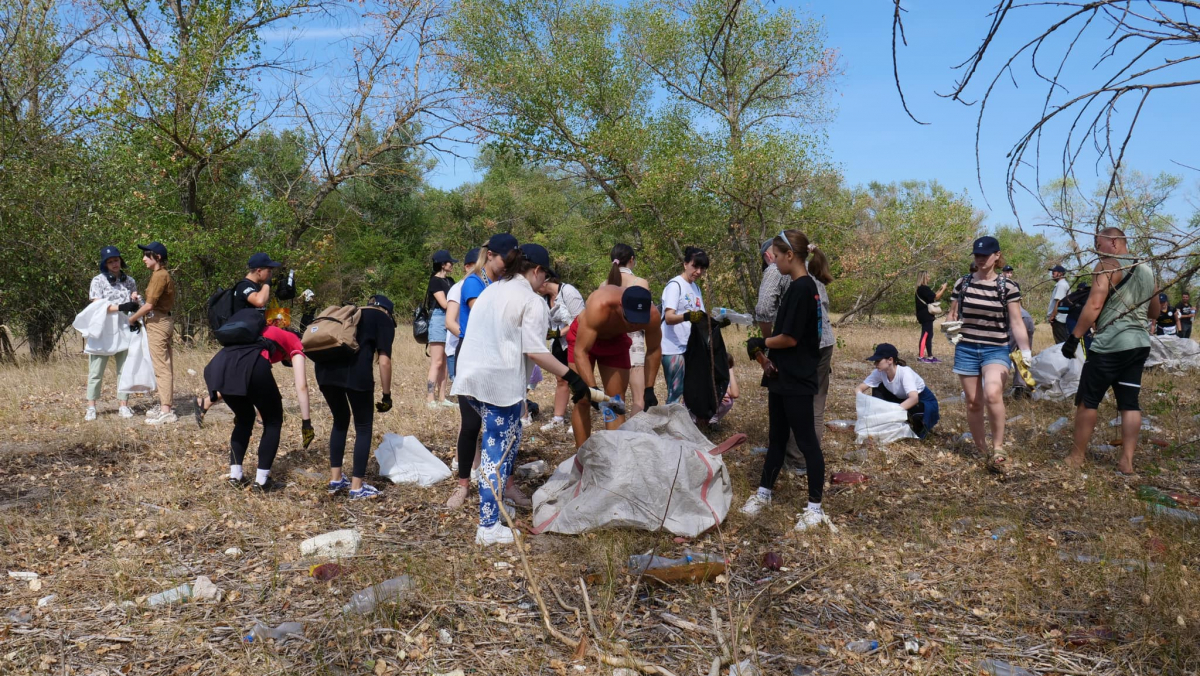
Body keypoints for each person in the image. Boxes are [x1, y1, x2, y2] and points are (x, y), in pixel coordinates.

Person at [451, 244, 591, 546]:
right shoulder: (531, 300)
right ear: (537, 271)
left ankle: (499, 502)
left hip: (470, 378)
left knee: (512, 437)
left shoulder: (492, 289)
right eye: (545, 277)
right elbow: (535, 350)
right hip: (497, 385)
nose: (545, 284)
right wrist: (572, 376)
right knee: (495, 456)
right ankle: (488, 526)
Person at [742, 230, 828, 531]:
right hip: (782, 374)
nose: (774, 262)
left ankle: (815, 508)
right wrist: (767, 359)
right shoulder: (796, 286)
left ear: (790, 256)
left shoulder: (804, 289)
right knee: (776, 437)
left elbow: (790, 338)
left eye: (777, 257)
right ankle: (764, 492)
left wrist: (763, 342)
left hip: (798, 377)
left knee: (806, 443)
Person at [1062, 227, 1159, 474]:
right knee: (1129, 404)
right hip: (1139, 343)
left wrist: (1074, 337)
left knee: (1088, 400)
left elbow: (1095, 304)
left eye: (1098, 244)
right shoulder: (1147, 269)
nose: (1096, 250)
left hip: (1111, 343)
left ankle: (1076, 457)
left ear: (1114, 242)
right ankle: (1126, 461)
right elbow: (1154, 312)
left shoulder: (1107, 266)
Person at [445, 234, 523, 510]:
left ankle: (509, 484)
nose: (507, 266)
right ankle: (463, 485)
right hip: (474, 356)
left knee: (509, 423)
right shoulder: (474, 282)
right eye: (505, 260)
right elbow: (482, 314)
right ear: (490, 255)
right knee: (471, 424)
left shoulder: (505, 283)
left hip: (500, 355)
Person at [203, 308, 314, 492]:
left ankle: (235, 476)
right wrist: (306, 422)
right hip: (251, 366)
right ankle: (262, 482)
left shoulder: (259, 333)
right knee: (273, 421)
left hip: (219, 366)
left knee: (244, 419)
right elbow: (302, 385)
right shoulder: (294, 340)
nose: (285, 360)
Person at [948, 236, 1031, 473]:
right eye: (977, 255)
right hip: (966, 348)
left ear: (997, 256)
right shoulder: (962, 283)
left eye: (985, 255)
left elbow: (1016, 322)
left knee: (993, 394)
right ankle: (982, 449)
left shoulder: (1007, 287)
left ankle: (998, 446)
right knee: (974, 402)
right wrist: (950, 330)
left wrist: (1025, 351)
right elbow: (952, 314)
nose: (980, 259)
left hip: (996, 348)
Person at [567, 270, 663, 448]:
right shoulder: (600, 304)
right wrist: (592, 388)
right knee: (583, 399)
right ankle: (582, 458)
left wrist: (649, 389)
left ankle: (614, 457)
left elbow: (654, 349)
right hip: (584, 340)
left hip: (615, 341)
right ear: (620, 305)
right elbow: (580, 351)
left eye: (638, 321)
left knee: (615, 401)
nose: (633, 325)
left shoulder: (653, 316)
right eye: (629, 319)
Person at [315, 295, 395, 500]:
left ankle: (336, 479)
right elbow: (384, 362)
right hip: (356, 375)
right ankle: (357, 486)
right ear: (387, 311)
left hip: (324, 373)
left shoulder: (349, 312)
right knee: (363, 426)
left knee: (340, 421)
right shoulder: (383, 319)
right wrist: (386, 395)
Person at [85, 246, 140, 421]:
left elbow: (135, 300)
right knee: (96, 371)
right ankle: (91, 406)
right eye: (110, 261)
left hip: (124, 328)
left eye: (116, 260)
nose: (114, 264)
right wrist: (120, 307)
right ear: (105, 264)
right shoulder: (98, 281)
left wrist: (135, 309)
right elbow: (96, 305)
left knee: (124, 370)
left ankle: (123, 405)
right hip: (103, 330)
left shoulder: (129, 280)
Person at [127, 242, 177, 424]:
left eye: (147, 256)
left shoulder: (159, 276)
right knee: (164, 365)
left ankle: (166, 410)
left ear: (157, 257)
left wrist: (131, 319)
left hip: (158, 323)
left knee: (162, 368)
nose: (143, 259)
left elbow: (150, 306)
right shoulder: (159, 275)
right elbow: (150, 302)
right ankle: (165, 405)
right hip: (161, 320)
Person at [856, 343, 940, 439]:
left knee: (916, 415)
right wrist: (861, 399)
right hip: (902, 400)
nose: (875, 364)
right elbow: (859, 388)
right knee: (878, 387)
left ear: (890, 360)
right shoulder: (879, 372)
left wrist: (894, 412)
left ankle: (916, 429)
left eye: (878, 361)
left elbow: (914, 398)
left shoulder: (905, 373)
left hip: (923, 403)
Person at [661, 247, 709, 404]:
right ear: (685, 264)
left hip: (689, 347)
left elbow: (700, 315)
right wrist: (687, 316)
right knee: (675, 392)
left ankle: (684, 424)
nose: (698, 271)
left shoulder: (695, 288)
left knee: (689, 389)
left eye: (702, 268)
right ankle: (669, 426)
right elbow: (669, 317)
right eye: (695, 266)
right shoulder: (675, 285)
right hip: (672, 348)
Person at [540, 277, 585, 432]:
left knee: (577, 379)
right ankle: (558, 418)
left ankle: (578, 419)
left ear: (544, 280)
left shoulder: (569, 292)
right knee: (561, 379)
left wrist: (558, 332)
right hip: (558, 343)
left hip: (575, 342)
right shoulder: (544, 299)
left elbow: (580, 320)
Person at [611, 243, 652, 414]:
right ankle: (635, 435)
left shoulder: (605, 283)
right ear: (632, 260)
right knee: (638, 397)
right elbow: (647, 316)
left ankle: (614, 432)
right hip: (634, 338)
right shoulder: (640, 282)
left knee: (614, 395)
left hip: (612, 339)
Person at [807, 247, 836, 446]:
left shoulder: (801, 279)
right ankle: (813, 452)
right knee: (817, 403)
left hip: (813, 343)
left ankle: (801, 455)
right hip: (827, 342)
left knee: (805, 402)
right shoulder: (819, 280)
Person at [425, 250, 457, 408]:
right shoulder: (435, 281)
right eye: (450, 262)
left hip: (450, 319)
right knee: (437, 361)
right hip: (438, 319)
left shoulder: (450, 280)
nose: (452, 264)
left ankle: (442, 397)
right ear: (443, 264)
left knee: (444, 361)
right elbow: (444, 304)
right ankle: (430, 398)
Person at [446, 248, 479, 383]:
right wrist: (469, 340)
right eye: (479, 266)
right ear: (467, 267)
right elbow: (449, 322)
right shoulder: (458, 288)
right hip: (457, 348)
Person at [915, 271, 948, 363]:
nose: (929, 278)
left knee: (929, 335)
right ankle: (921, 356)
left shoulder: (921, 289)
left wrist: (940, 288)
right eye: (928, 276)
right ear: (924, 278)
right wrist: (944, 289)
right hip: (925, 315)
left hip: (925, 315)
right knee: (925, 334)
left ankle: (930, 356)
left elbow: (932, 297)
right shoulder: (923, 288)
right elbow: (937, 297)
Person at [708, 354, 739, 427]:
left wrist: (730, 371)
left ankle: (710, 421)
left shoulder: (722, 378)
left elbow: (735, 394)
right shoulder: (707, 374)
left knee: (728, 398)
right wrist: (715, 397)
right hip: (695, 405)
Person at [1047, 264, 1071, 344]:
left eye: (1054, 272)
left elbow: (1059, 301)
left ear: (1060, 273)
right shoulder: (1062, 284)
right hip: (1060, 318)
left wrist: (1053, 316)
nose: (1052, 274)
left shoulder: (1061, 285)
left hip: (1059, 319)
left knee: (1060, 343)